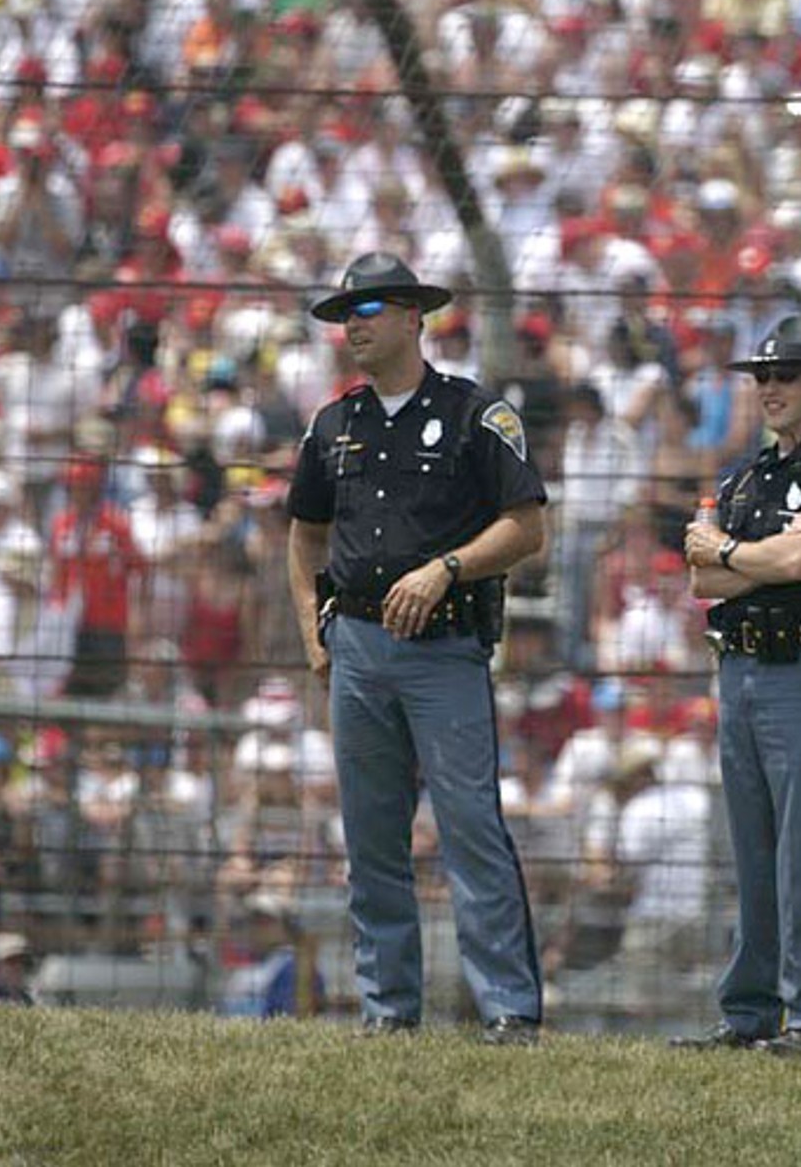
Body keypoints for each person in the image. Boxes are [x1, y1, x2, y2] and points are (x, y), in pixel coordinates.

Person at [285, 253, 549, 1046]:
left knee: (470, 828)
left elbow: (526, 527)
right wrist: (313, 632)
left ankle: (508, 1008)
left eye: (369, 309)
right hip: (356, 646)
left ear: (413, 317)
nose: (354, 326)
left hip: (444, 649)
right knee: (371, 837)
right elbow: (304, 535)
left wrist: (447, 569)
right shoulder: (332, 425)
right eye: (346, 313)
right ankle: (388, 1008)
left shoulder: (475, 415)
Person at [675, 316, 801, 1056]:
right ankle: (749, 1011)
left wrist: (734, 551)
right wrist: (762, 557)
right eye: (762, 376)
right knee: (754, 851)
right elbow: (702, 581)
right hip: (739, 671)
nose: (770, 388)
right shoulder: (743, 477)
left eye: (786, 375)